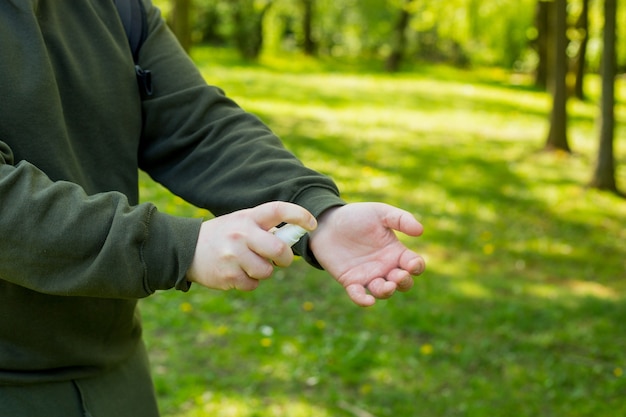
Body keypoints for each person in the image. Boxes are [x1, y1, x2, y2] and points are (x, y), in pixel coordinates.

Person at [0, 1, 425, 416]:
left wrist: (316, 211)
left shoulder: (119, 8)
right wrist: (177, 247)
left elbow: (196, 125)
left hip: (113, 369)